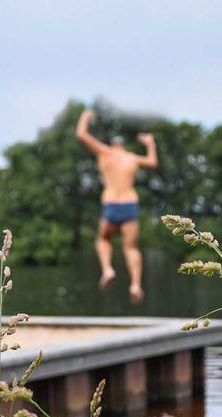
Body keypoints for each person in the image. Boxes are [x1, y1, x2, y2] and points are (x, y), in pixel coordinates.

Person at [75, 108, 157, 304]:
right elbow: (153, 162)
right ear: (124, 146)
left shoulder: (105, 152)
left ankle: (107, 269)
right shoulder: (132, 158)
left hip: (111, 204)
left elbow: (81, 134)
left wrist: (85, 116)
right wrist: (150, 143)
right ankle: (135, 284)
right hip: (130, 204)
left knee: (103, 239)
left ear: (113, 144)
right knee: (131, 248)